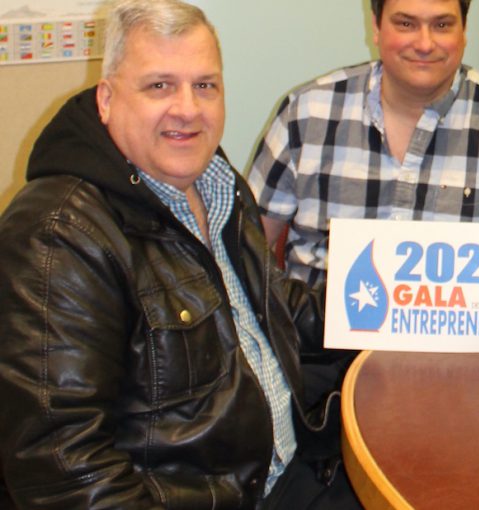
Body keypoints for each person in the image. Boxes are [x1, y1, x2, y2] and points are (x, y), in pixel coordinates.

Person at [0, 1, 360, 508]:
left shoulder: (215, 183)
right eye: (159, 86)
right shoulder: (59, 235)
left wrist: (418, 315)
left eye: (205, 85)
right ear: (107, 99)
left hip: (286, 467)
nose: (188, 109)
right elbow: (60, 461)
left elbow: (277, 303)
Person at [248, 0, 479, 355]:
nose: (424, 43)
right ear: (376, 26)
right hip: (323, 359)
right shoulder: (308, 114)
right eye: (405, 23)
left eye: (442, 24)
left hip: (470, 367)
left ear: (464, 30)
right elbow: (244, 245)